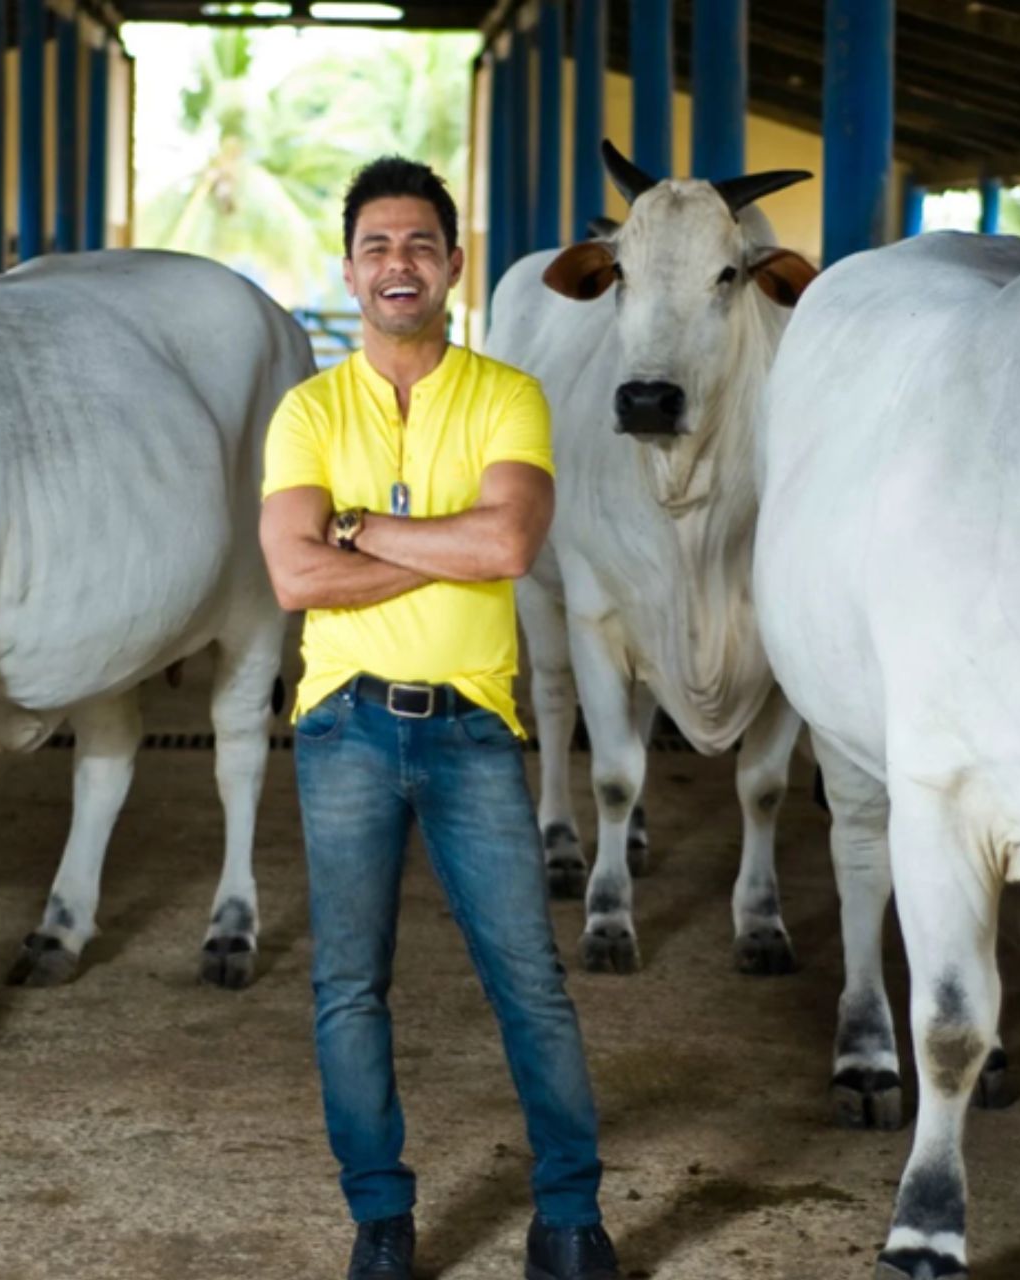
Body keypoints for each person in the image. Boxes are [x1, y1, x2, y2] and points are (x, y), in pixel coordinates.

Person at [257, 156, 621, 1280]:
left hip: (471, 729)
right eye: (376, 245)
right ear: (350, 272)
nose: (397, 262)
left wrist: (359, 528)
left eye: (419, 242)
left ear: (454, 264)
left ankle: (570, 1218)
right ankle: (381, 1220)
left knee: (530, 982)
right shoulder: (308, 411)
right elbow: (294, 577)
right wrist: (438, 549)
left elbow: (507, 544)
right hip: (344, 730)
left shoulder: (508, 396)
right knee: (349, 987)